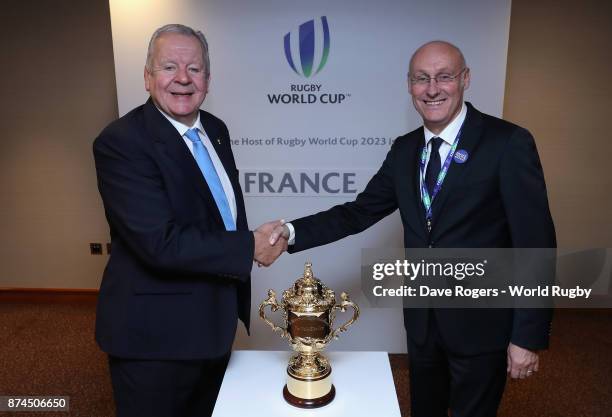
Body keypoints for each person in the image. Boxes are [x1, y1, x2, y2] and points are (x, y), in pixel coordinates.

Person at [269, 40, 556, 417]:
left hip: (482, 326)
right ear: (410, 86)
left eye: (444, 77)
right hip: (423, 325)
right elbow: (358, 213)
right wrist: (290, 232)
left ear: (465, 79)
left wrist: (527, 337)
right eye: (422, 79)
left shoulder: (507, 143)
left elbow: (536, 244)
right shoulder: (405, 150)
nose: (432, 88)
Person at [93, 24, 285, 417]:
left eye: (195, 69)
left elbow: (216, 215)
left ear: (208, 79)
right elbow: (160, 243)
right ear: (147, 77)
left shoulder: (215, 130)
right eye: (169, 67)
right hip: (155, 341)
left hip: (213, 326)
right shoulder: (122, 142)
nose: (183, 78)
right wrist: (250, 246)